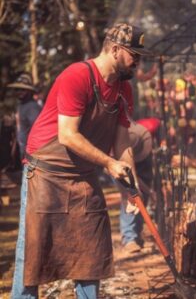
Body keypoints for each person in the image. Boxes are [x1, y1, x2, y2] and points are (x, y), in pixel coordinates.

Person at [11, 23, 151, 299]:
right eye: (134, 55)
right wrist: (109, 164)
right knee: (32, 254)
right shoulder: (77, 76)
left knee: (92, 252)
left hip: (84, 176)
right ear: (115, 50)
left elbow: (122, 143)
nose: (138, 62)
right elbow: (67, 136)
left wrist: (130, 190)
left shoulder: (124, 90)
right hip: (46, 175)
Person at [119, 118, 160, 254]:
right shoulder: (120, 156)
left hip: (137, 165)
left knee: (141, 200)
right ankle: (130, 238)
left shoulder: (136, 138)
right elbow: (134, 183)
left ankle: (137, 233)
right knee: (130, 199)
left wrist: (149, 191)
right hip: (120, 169)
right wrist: (150, 191)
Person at [7, 72, 42, 158]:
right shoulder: (21, 105)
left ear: (30, 91)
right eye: (17, 89)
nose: (19, 92)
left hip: (31, 152)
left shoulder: (32, 107)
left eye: (23, 89)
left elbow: (37, 130)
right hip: (23, 150)